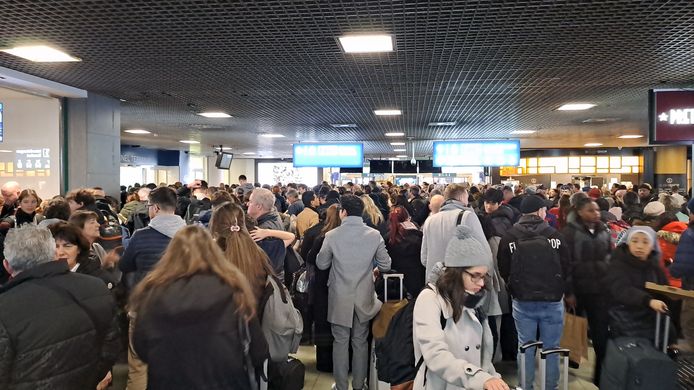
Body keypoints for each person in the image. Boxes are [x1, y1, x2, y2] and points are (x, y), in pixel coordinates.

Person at [130, 225, 269, 390]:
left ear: (171, 254)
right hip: (225, 383)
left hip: (167, 382)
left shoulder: (152, 292)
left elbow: (141, 346)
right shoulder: (234, 290)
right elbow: (258, 351)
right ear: (213, 252)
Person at [0, 224, 120, 389]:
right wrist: (91, 378)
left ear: (7, 265)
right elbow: (111, 344)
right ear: (54, 254)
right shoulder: (96, 287)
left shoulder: (5, 306)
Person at [413, 225, 509, 390]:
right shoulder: (430, 299)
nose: (480, 283)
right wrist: (479, 378)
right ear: (456, 272)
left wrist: (493, 378)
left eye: (484, 276)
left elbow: (482, 357)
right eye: (475, 276)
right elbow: (435, 355)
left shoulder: (473, 301)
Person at [316, 194, 391, 390]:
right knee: (360, 342)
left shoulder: (332, 236)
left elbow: (322, 264)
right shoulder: (374, 235)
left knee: (340, 342)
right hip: (364, 297)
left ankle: (341, 386)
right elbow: (386, 264)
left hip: (340, 297)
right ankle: (360, 385)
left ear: (344, 212)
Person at [498, 195, 573, 390]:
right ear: (540, 211)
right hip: (552, 301)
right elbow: (566, 266)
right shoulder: (555, 236)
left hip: (522, 301)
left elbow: (503, 268)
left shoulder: (509, 237)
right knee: (552, 348)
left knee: (525, 347)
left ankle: (525, 386)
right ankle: (550, 387)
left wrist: (513, 287)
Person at [118, 186, 186, 390]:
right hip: (181, 309)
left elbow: (125, 266)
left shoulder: (140, 236)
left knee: (139, 365)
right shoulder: (192, 236)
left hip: (145, 309)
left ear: (155, 208)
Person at [560, 196, 611, 385]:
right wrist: (569, 292)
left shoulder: (604, 231)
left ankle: (600, 375)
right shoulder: (569, 233)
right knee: (574, 327)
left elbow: (609, 257)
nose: (596, 213)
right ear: (580, 212)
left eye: (597, 210)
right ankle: (571, 362)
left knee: (600, 335)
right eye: (591, 210)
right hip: (578, 290)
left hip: (600, 291)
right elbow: (566, 265)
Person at [605, 227, 675, 344]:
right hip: (624, 316)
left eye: (645, 242)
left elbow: (663, 290)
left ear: (652, 245)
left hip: (650, 318)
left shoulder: (654, 266)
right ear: (628, 243)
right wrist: (649, 301)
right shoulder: (618, 263)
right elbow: (622, 289)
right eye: (635, 241)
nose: (639, 246)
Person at [421, 184, 489, 280]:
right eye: (466, 198)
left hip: (434, 281)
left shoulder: (429, 220)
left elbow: (424, 258)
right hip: (459, 281)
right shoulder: (468, 216)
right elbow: (483, 251)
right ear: (461, 197)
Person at [386, 206, 425, 297]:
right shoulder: (418, 236)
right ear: (408, 218)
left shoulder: (388, 238)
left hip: (396, 282)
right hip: (417, 279)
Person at [671, 198, 694, 351]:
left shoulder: (690, 233)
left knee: (689, 321)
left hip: (692, 286)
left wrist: (673, 270)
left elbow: (684, 263)